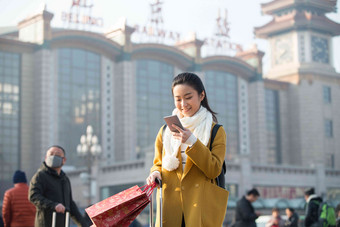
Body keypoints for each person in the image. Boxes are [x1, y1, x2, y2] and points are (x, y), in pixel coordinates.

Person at [146, 72, 228, 227]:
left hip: (200, 206)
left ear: (201, 95)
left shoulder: (216, 131)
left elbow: (214, 169)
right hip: (170, 205)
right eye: (178, 99)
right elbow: (157, 163)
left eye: (188, 97)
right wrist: (155, 173)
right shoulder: (165, 131)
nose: (183, 103)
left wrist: (193, 142)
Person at [29, 145, 87, 227]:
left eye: (57, 155)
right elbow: (33, 196)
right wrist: (53, 205)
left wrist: (83, 225)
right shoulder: (40, 176)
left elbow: (70, 204)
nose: (53, 157)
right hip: (45, 223)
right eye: (51, 154)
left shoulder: (65, 179)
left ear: (64, 160)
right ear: (46, 158)